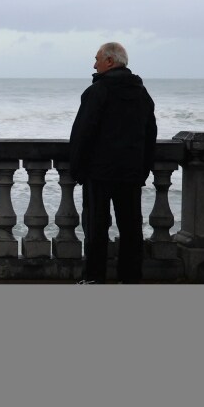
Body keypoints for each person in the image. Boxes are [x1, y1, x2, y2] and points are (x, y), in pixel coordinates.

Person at [68, 41, 157, 284]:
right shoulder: (141, 92)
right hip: (130, 173)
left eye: (97, 59)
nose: (94, 64)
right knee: (131, 229)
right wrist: (144, 169)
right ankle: (129, 279)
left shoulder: (98, 92)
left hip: (100, 173)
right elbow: (151, 134)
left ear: (110, 61)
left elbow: (82, 133)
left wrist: (76, 169)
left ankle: (95, 278)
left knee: (96, 228)